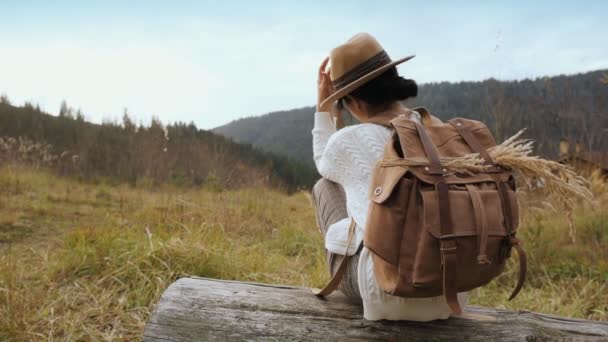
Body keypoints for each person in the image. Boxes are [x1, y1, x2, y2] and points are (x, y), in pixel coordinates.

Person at [311, 32, 468, 321]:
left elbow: (323, 160)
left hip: (385, 292)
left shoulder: (351, 139)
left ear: (354, 103)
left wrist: (323, 106)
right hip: (453, 292)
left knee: (326, 184)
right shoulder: (437, 130)